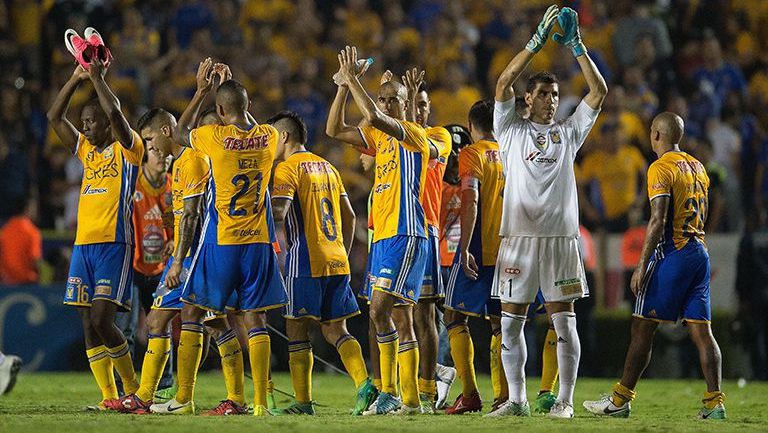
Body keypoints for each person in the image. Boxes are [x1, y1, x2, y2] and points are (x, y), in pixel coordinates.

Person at [150, 58, 287, 416]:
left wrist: (201, 92)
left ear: (221, 111)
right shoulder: (270, 137)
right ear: (249, 107)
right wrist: (235, 103)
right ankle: (259, 403)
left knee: (193, 311)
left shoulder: (215, 137)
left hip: (223, 242)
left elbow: (179, 134)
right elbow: (250, 123)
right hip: (258, 243)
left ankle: (183, 398)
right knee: (256, 321)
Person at [489, 5, 607, 418]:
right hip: (518, 236)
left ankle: (565, 401)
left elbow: (598, 92)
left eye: (555, 94)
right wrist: (535, 43)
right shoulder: (510, 130)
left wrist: (577, 46)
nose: (551, 100)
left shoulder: (569, 133)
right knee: (509, 323)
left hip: (559, 237)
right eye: (543, 93)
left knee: (564, 321)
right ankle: (517, 400)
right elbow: (502, 82)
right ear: (528, 98)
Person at [105, 104, 247, 416]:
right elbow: (183, 213)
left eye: (151, 139)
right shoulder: (180, 165)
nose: (150, 147)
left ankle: (217, 398)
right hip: (188, 254)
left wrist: (180, 260)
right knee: (176, 320)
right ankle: (172, 396)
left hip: (199, 255)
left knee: (210, 322)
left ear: (166, 131)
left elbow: (194, 214)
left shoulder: (194, 160)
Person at [584, 112, 726, 420]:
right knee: (704, 333)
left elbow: (658, 219)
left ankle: (620, 399)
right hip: (699, 251)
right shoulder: (698, 166)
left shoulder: (660, 167)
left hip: (673, 253)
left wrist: (641, 264)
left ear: (656, 135)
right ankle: (715, 402)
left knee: (642, 326)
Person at [326, 46, 435, 415]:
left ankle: (392, 392)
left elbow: (370, 113)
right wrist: (343, 86)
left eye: (393, 99)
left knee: (379, 311)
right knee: (396, 318)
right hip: (384, 236)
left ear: (405, 105)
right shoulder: (382, 140)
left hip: (407, 234)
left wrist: (355, 79)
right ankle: (409, 401)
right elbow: (334, 129)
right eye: (384, 99)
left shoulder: (411, 134)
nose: (386, 105)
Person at [47, 60, 144, 409]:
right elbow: (55, 118)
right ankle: (109, 397)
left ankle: (134, 390)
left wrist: (99, 79)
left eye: (92, 121)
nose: (86, 128)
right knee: (88, 323)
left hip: (114, 244)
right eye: (84, 122)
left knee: (104, 319)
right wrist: (75, 78)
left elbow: (117, 114)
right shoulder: (87, 152)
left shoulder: (128, 150)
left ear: (106, 122)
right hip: (83, 246)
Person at [269, 110, 376, 415]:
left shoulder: (288, 169)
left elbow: (279, 212)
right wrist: (339, 247)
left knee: (296, 330)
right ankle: (363, 384)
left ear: (285, 137)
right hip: (337, 259)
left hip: (306, 260)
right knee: (336, 330)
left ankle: (303, 402)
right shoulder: (328, 167)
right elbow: (350, 216)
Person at [443, 100, 507, 414]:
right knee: (501, 322)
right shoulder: (512, 152)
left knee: (454, 316)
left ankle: (469, 394)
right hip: (509, 246)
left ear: (471, 126)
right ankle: (504, 396)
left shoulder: (472, 153)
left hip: (480, 245)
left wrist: (465, 247)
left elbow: (471, 201)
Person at [405, 75, 454, 413]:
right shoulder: (397, 135)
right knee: (393, 312)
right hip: (394, 229)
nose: (418, 111)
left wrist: (404, 111)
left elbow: (420, 145)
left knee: (424, 312)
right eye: (414, 105)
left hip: (426, 228)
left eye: (422, 105)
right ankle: (403, 385)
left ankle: (426, 387)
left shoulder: (441, 136)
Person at [114, 136, 173, 398]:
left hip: (160, 269)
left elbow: (174, 224)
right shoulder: (133, 185)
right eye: (155, 151)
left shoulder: (172, 188)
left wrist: (173, 241)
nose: (162, 157)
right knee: (125, 328)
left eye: (167, 153)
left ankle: (163, 385)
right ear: (145, 155)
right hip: (133, 267)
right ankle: (122, 386)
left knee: (161, 328)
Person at [0, 198, 42, 285]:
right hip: (27, 282)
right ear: (27, 209)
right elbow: (34, 259)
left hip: (6, 282)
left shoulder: (5, 229)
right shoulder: (31, 231)